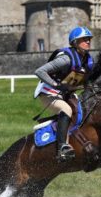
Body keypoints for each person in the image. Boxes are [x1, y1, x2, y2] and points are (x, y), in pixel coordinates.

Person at [34, 26, 94, 161]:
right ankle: (62, 147)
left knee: (82, 109)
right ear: (75, 42)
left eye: (89, 39)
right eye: (84, 39)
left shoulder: (88, 61)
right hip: (49, 92)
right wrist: (56, 85)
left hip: (65, 93)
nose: (88, 42)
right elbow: (39, 71)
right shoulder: (66, 59)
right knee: (66, 109)